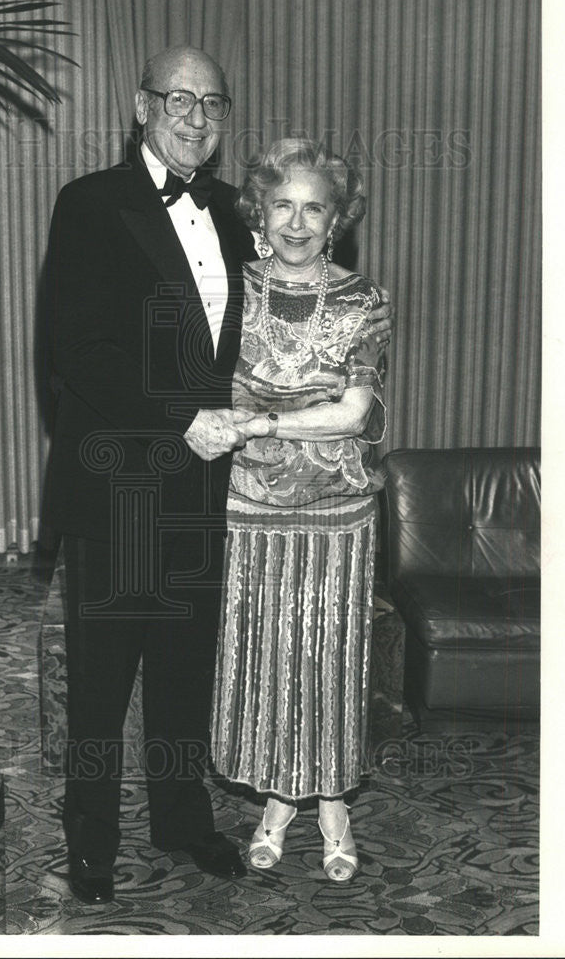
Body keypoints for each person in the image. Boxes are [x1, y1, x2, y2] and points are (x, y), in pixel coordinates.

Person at [44, 47, 393, 904]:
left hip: (211, 491)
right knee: (99, 678)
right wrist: (182, 418)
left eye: (212, 103)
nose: (194, 117)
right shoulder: (90, 204)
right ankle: (89, 838)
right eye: (177, 99)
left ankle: (180, 820)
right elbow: (76, 351)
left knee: (181, 669)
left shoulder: (241, 221)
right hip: (121, 480)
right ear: (141, 105)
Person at [210, 138, 388, 883]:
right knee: (269, 652)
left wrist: (261, 423)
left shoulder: (363, 299)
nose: (295, 222)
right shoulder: (225, 287)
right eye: (282, 204)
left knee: (329, 654)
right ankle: (280, 800)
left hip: (337, 509)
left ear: (336, 218)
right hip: (249, 504)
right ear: (260, 210)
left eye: (313, 207)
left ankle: (334, 804)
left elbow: (352, 412)